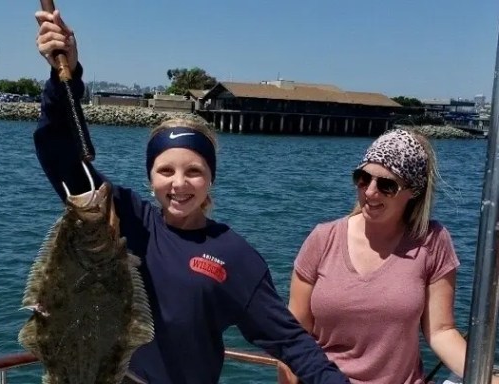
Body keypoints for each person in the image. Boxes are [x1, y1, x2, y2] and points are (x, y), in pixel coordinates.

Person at [33, 9, 350, 384]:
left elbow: (292, 342)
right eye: (165, 171)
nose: (179, 184)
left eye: (194, 171)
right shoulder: (123, 219)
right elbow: (59, 154)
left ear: (210, 180)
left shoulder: (233, 255)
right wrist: (64, 76)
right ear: (150, 178)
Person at [277, 129, 499, 384]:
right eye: (363, 178)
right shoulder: (322, 239)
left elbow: (441, 332)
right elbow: (294, 335)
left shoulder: (433, 241)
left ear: (413, 191)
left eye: (386, 185)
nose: (370, 192)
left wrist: (485, 377)